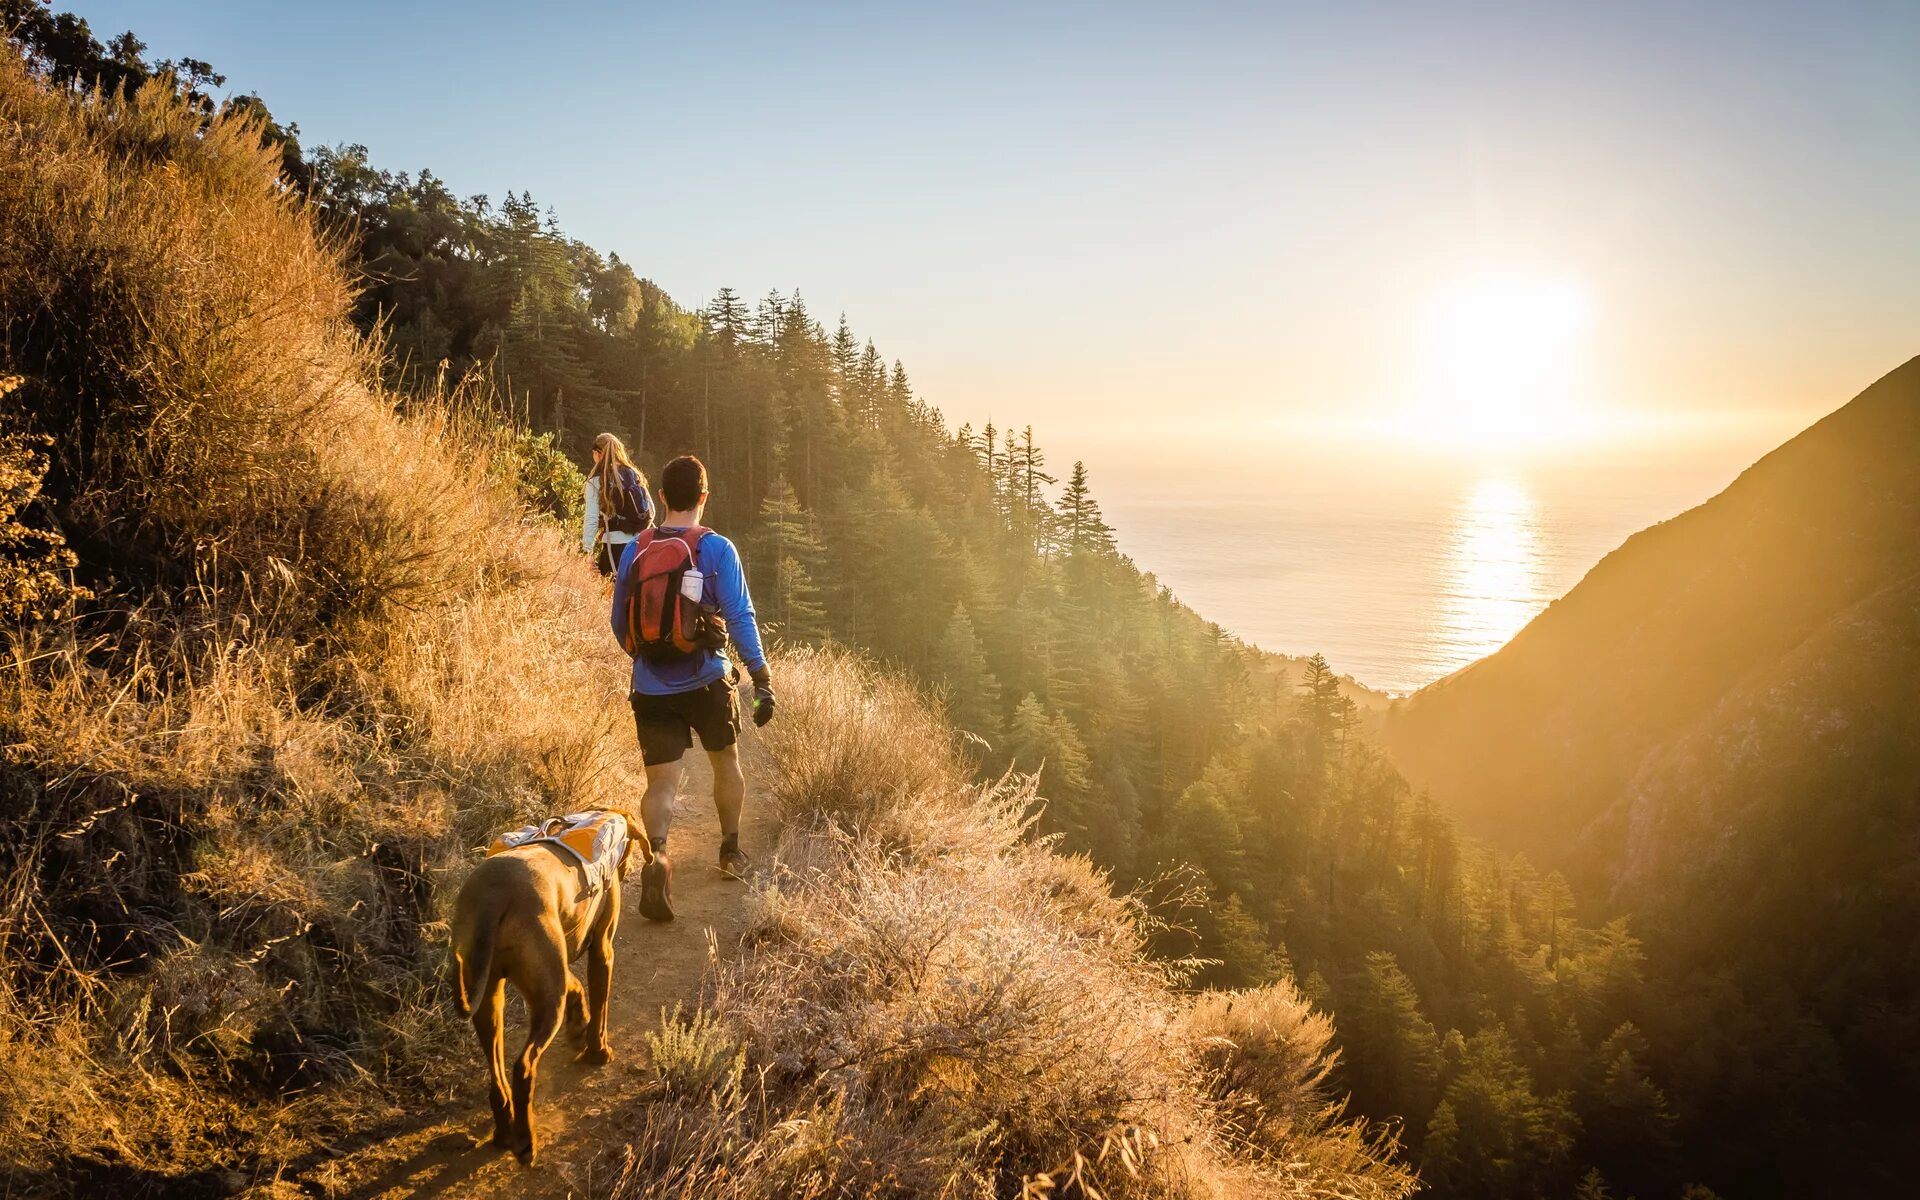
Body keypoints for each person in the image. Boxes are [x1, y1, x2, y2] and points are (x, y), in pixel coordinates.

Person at [609, 455, 774, 922]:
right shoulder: (716, 548)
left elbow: (619, 620)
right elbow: (740, 617)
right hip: (707, 681)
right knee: (726, 763)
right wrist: (761, 677)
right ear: (704, 496)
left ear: (661, 497)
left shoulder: (636, 548)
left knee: (661, 782)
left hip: (650, 686)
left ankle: (659, 855)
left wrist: (647, 657)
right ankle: (729, 851)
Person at [583, 433, 653, 575]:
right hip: (638, 545)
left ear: (597, 454)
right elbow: (651, 510)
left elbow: (591, 519)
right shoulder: (634, 474)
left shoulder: (596, 481)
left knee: (611, 593)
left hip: (613, 546)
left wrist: (587, 551)